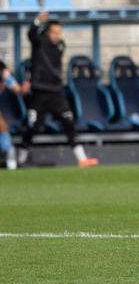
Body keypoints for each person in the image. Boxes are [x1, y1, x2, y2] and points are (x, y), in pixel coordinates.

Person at [17, 13, 98, 168]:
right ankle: (20, 159)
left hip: (56, 92)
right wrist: (37, 22)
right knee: (33, 126)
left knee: (68, 122)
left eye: (59, 32)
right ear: (47, 32)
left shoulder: (60, 45)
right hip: (40, 92)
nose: (57, 35)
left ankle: (81, 159)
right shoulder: (39, 41)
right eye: (54, 32)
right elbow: (31, 34)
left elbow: (50, 45)